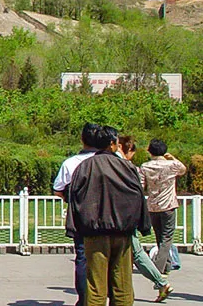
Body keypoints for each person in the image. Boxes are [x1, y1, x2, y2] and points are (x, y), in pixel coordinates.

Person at [66, 126, 151, 306]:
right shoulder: (126, 167)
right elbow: (137, 196)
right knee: (122, 285)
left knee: (96, 287)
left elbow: (75, 198)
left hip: (94, 233)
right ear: (112, 144)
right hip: (122, 232)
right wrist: (141, 224)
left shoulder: (85, 167)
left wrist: (76, 227)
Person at [118, 136, 172, 302]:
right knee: (149, 247)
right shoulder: (129, 167)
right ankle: (161, 279)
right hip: (161, 207)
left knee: (136, 253)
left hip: (124, 216)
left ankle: (160, 281)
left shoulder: (133, 167)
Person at [52, 122, 101, 306]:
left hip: (81, 215)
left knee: (82, 257)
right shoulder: (110, 161)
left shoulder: (71, 163)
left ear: (82, 139)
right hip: (107, 216)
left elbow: (57, 189)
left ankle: (84, 299)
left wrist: (70, 198)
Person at [140, 139, 187, 279]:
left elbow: (141, 184)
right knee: (167, 237)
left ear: (150, 151)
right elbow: (183, 169)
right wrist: (172, 157)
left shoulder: (145, 166)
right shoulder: (171, 165)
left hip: (153, 205)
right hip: (168, 205)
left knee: (160, 236)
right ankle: (158, 269)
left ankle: (166, 265)